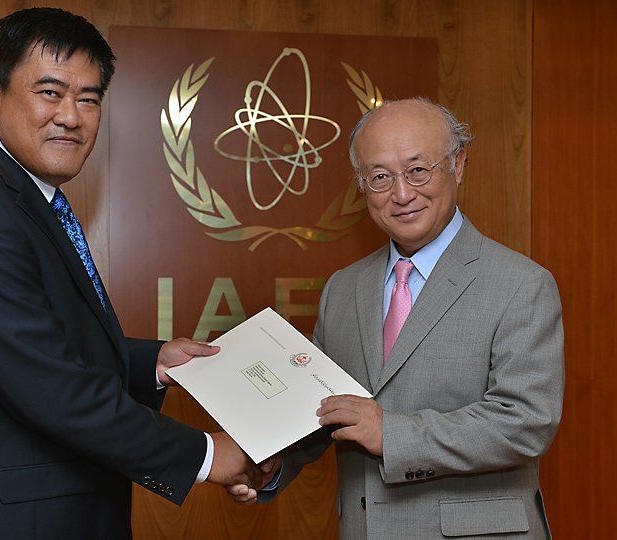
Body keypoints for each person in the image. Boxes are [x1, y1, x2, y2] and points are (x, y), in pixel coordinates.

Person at [0, 8, 273, 540]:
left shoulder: (17, 195)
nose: (71, 116)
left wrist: (152, 364)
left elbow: (41, 342)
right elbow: (52, 388)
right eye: (50, 93)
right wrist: (208, 455)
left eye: (89, 99)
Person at [227, 98, 564, 539]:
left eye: (418, 170)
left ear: (458, 165)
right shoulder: (343, 289)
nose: (402, 194)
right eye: (380, 177)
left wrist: (393, 434)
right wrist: (273, 462)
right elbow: (322, 408)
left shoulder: (521, 284)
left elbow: (525, 422)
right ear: (362, 184)